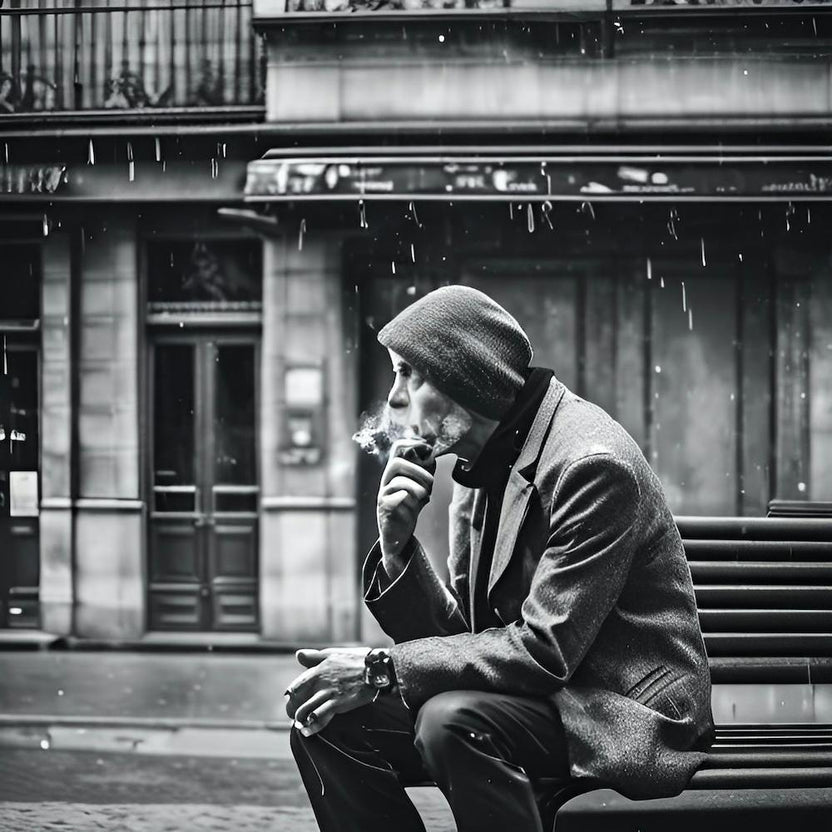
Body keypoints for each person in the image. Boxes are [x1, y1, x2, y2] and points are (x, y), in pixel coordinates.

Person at [286, 285, 714, 832]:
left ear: (462, 374)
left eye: (407, 373)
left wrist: (379, 669)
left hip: (619, 712)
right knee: (323, 718)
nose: (393, 399)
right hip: (537, 702)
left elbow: (543, 652)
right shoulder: (476, 467)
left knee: (451, 721)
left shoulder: (591, 464)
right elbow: (466, 639)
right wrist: (396, 548)